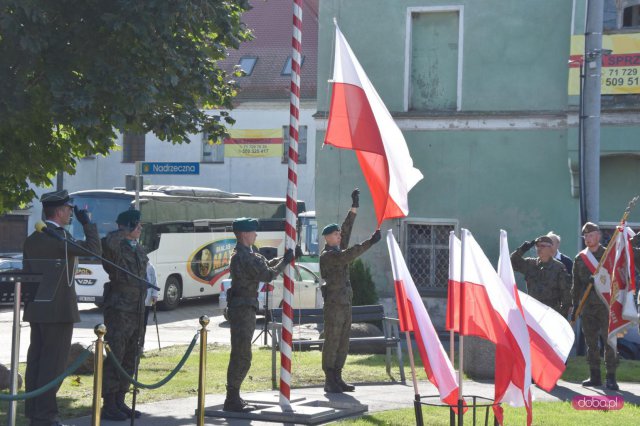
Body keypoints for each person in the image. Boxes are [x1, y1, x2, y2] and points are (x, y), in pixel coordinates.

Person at [23, 190, 100, 426]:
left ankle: (34, 411)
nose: (71, 214)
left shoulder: (33, 238)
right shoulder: (59, 239)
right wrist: (88, 224)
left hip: (37, 308)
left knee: (36, 361)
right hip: (58, 311)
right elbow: (94, 250)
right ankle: (45, 415)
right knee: (53, 364)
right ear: (59, 211)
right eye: (68, 209)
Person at [224, 218, 294, 412]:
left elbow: (264, 265)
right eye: (253, 232)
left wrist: (283, 258)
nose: (256, 235)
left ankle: (233, 396)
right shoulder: (244, 256)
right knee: (242, 355)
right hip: (243, 308)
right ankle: (232, 398)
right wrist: (285, 261)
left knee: (242, 353)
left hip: (244, 306)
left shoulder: (246, 254)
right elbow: (268, 274)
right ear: (245, 234)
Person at [319, 188, 381, 393]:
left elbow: (346, 228)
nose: (339, 236)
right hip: (334, 304)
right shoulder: (328, 255)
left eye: (338, 234)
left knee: (343, 341)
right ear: (328, 238)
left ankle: (338, 375)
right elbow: (349, 255)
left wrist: (354, 207)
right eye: (336, 235)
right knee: (333, 340)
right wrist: (370, 242)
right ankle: (330, 378)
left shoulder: (337, 248)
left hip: (344, 303)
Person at [101, 209, 149, 420]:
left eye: (139, 225)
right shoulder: (115, 245)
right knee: (116, 356)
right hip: (120, 309)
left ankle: (121, 399)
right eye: (136, 225)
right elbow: (107, 243)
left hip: (137, 308)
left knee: (131, 356)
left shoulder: (137, 247)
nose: (140, 229)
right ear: (127, 226)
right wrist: (123, 230)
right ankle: (109, 403)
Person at [571, 222, 618, 389]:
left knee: (609, 342)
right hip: (587, 307)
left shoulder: (608, 255)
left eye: (591, 235)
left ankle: (611, 377)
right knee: (591, 343)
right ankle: (594, 375)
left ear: (598, 236)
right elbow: (576, 285)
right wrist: (575, 306)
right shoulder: (580, 258)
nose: (588, 239)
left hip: (605, 306)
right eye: (585, 236)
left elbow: (617, 280)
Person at [510, 235, 571, 317]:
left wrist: (561, 316)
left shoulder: (559, 267)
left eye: (542, 246)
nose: (539, 248)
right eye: (537, 246)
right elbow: (511, 262)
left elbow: (566, 295)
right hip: (533, 312)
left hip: (551, 313)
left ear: (550, 248)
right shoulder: (530, 264)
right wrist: (523, 249)